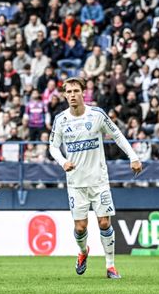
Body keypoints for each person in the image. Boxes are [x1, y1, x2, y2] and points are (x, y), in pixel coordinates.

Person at [49, 77, 142, 279]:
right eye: (69, 91)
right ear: (65, 94)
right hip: (76, 183)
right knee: (80, 227)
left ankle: (110, 266)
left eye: (76, 91)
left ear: (84, 93)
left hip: (99, 181)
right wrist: (63, 162)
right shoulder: (61, 119)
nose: (72, 95)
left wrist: (133, 156)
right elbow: (53, 147)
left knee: (104, 223)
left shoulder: (97, 115)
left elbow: (116, 134)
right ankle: (83, 252)